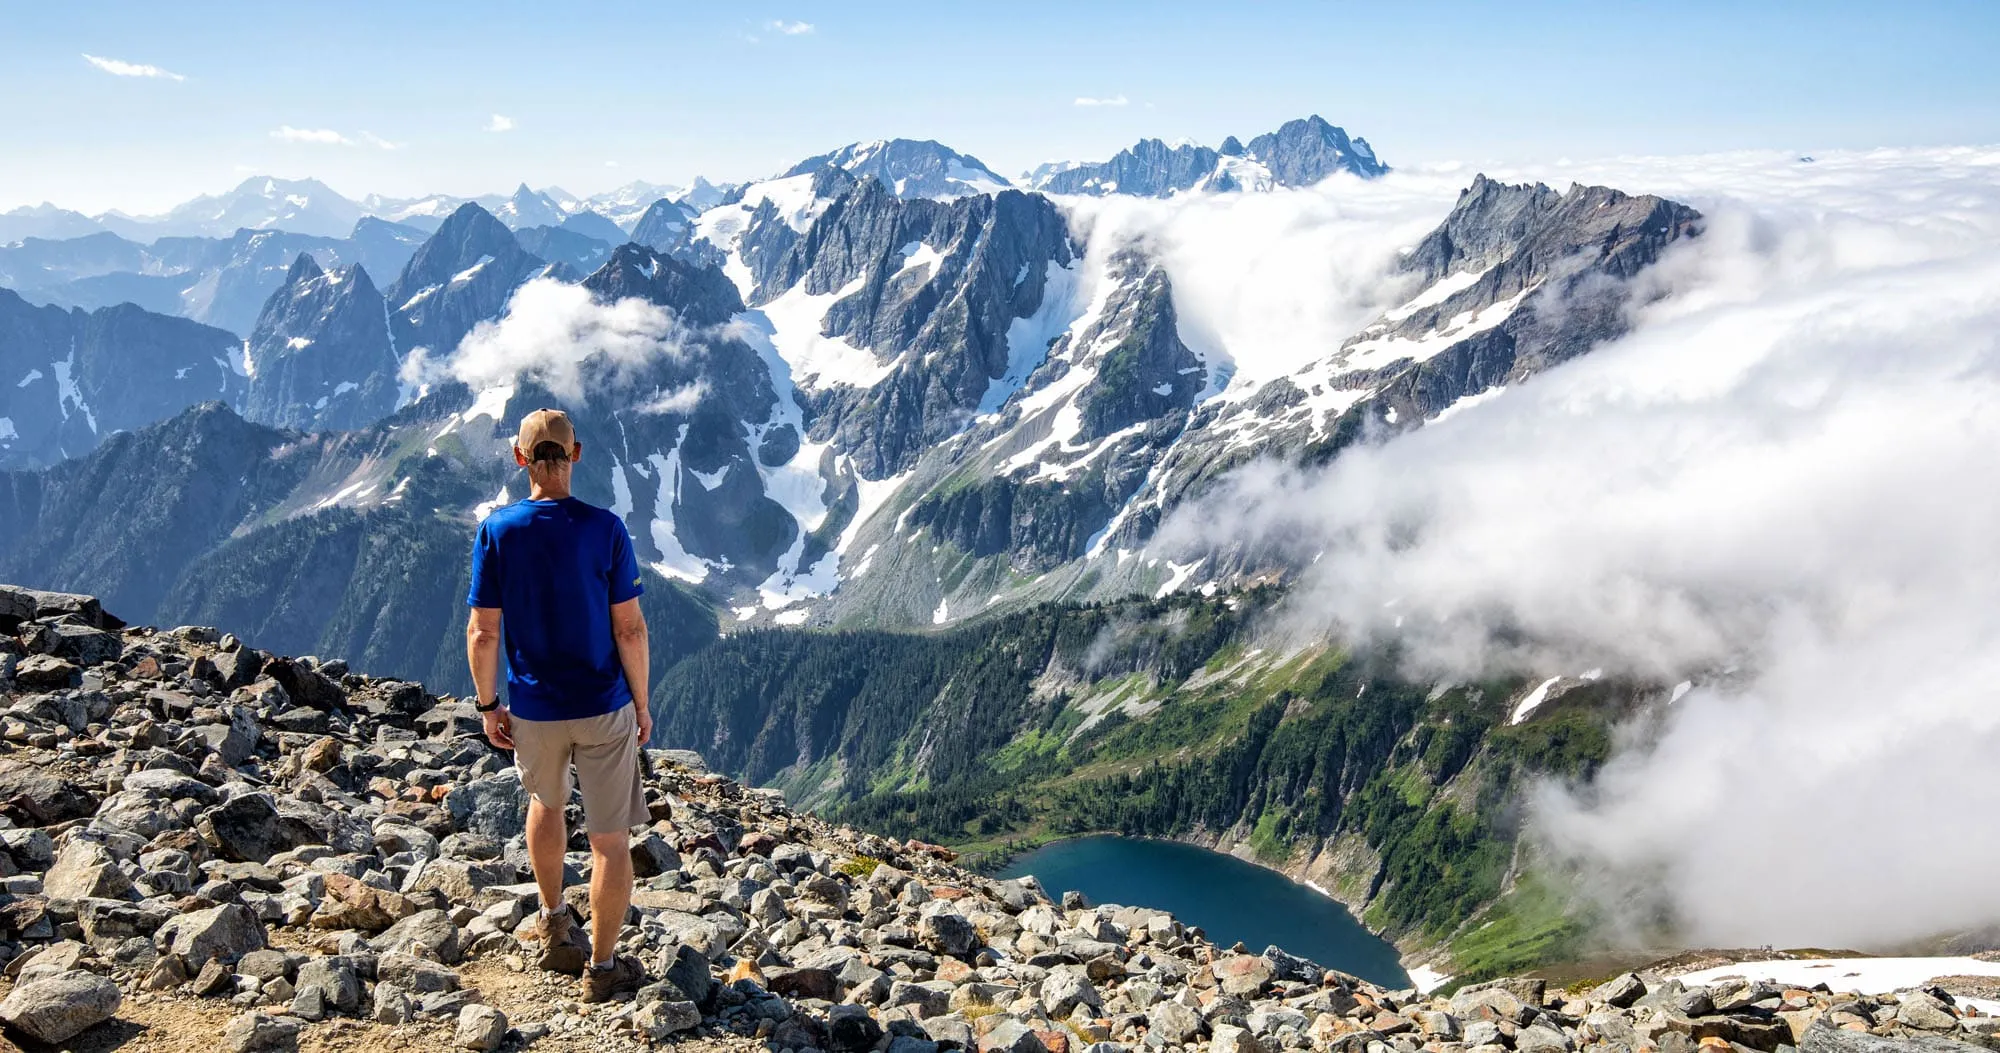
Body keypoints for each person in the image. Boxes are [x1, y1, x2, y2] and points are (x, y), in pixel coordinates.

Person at [464, 408, 654, 1003]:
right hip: (602, 704)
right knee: (610, 840)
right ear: (576, 455)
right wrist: (641, 705)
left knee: (545, 803)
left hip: (534, 708)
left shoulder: (498, 531)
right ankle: (601, 967)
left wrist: (488, 702)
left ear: (521, 459)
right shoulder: (605, 529)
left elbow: (482, 632)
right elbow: (629, 630)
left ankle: (552, 918)